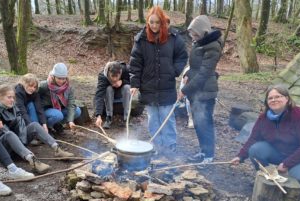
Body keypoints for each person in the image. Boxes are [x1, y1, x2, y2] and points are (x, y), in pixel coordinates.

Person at [231, 86, 300, 187]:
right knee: (256, 149)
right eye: (270, 98)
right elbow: (254, 139)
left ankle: (293, 188)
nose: (274, 100)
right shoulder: (263, 118)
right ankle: (268, 178)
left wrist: (287, 164)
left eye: (278, 96)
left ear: (287, 99)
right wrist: (240, 156)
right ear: (267, 102)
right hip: (279, 152)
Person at [129, 6, 188, 154]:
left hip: (166, 85)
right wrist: (134, 83)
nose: (154, 26)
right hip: (147, 86)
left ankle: (170, 145)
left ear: (162, 22)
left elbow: (182, 56)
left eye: (157, 22)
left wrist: (174, 71)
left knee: (167, 117)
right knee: (153, 119)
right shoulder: (141, 39)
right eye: (151, 22)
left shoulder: (173, 37)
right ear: (147, 22)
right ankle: (157, 145)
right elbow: (136, 62)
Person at [0, 85, 75, 173]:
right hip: (2, 150)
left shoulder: (13, 107)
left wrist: (23, 141)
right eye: (9, 97)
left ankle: (57, 149)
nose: (12, 100)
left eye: (13, 97)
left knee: (34, 125)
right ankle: (32, 160)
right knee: (9, 134)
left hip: (18, 145)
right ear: (0, 97)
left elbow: (21, 125)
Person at [180, 15, 223, 164]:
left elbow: (204, 73)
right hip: (197, 91)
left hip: (205, 91)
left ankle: (209, 156)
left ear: (203, 31)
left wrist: (185, 90)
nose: (193, 36)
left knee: (205, 124)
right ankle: (202, 152)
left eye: (195, 33)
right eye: (192, 33)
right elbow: (194, 66)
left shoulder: (213, 46)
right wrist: (186, 74)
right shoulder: (199, 42)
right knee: (198, 123)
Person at [38, 63, 81, 132]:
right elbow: (33, 96)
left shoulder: (68, 88)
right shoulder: (44, 85)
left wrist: (70, 121)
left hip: (59, 109)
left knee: (77, 111)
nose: (61, 81)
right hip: (45, 110)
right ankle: (47, 127)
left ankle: (57, 124)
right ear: (53, 76)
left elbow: (71, 104)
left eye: (63, 78)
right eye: (59, 78)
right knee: (58, 115)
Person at [94, 61, 131, 129]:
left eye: (116, 76)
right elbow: (99, 95)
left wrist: (123, 82)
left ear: (120, 72)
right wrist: (98, 115)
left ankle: (126, 118)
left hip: (122, 94)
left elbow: (134, 82)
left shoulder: (126, 70)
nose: (114, 79)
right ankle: (109, 117)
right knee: (108, 89)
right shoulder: (103, 76)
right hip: (109, 96)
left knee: (127, 87)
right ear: (108, 72)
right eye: (112, 76)